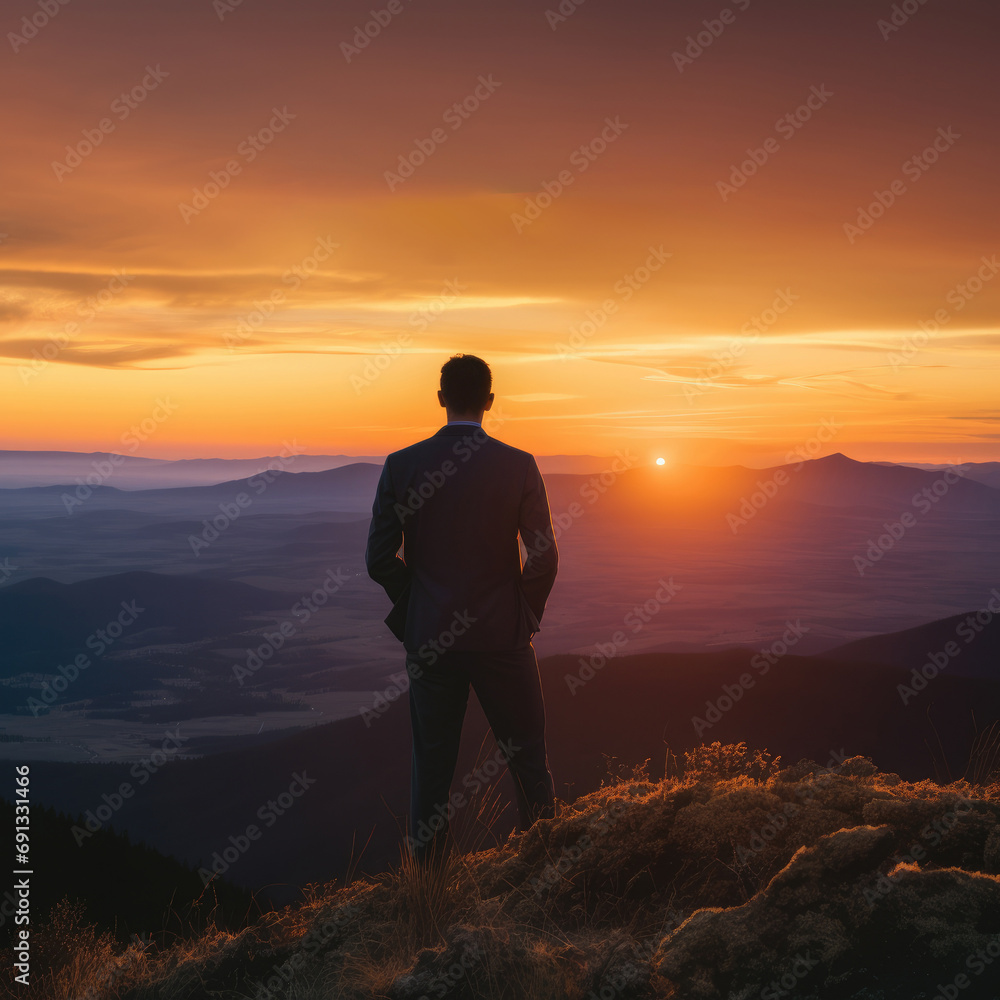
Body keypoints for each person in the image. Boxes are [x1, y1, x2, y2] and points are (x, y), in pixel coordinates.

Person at [365, 353, 558, 863]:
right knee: (529, 760)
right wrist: (523, 616)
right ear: (490, 401)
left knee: (431, 768)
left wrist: (415, 609)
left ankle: (429, 888)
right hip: (503, 636)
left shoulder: (401, 465)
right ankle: (545, 873)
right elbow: (544, 557)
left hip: (430, 638)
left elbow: (379, 558)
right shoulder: (518, 465)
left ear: (441, 398)